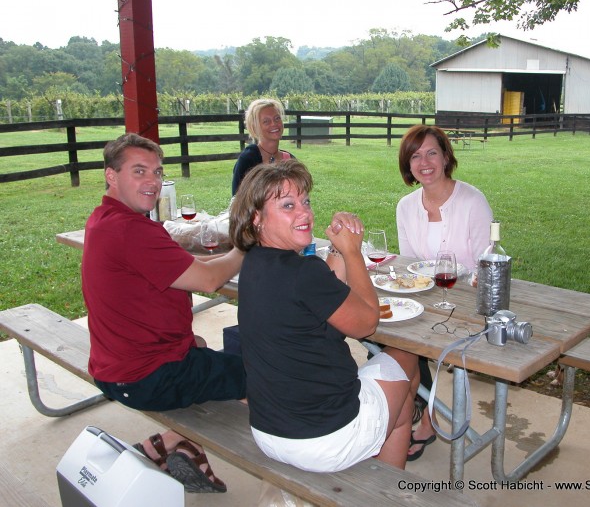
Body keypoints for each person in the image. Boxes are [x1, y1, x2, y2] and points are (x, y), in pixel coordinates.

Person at [81, 133, 247, 493]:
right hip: (144, 377)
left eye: (157, 172)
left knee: (200, 345)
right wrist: (245, 247)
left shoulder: (105, 219)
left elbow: (184, 265)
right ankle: (291, 463)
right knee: (263, 374)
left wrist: (224, 257)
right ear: (111, 175)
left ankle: (178, 445)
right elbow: (208, 280)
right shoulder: (130, 229)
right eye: (139, 171)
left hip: (116, 365)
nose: (152, 182)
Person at [229, 159, 419, 471]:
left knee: (394, 400)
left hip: (268, 430)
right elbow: (367, 322)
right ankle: (389, 472)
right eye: (288, 205)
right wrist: (353, 252)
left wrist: (335, 247)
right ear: (256, 218)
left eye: (305, 201)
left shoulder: (255, 263)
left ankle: (385, 428)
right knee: (406, 356)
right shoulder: (302, 272)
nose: (304, 212)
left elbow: (317, 296)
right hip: (323, 437)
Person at [396, 124, 493, 461]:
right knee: (387, 339)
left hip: (467, 300)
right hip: (426, 297)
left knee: (428, 343)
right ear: (408, 165)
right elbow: (410, 263)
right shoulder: (405, 207)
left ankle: (425, 418)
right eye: (415, 155)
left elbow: (487, 261)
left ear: (446, 156)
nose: (424, 162)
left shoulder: (472, 200)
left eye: (431, 152)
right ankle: (408, 411)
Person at [231, 98, 295, 196]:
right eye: (266, 121)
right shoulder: (248, 159)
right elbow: (237, 201)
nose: (274, 124)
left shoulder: (290, 160)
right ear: (255, 126)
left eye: (277, 118)